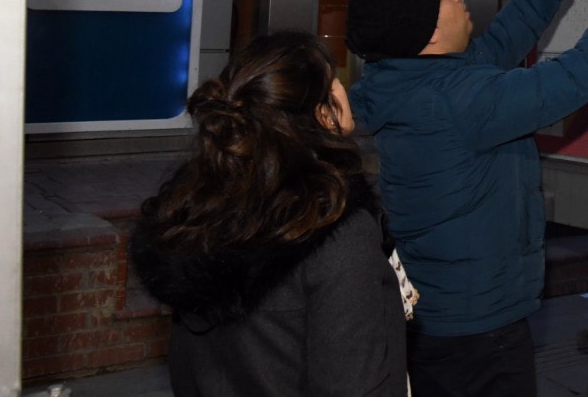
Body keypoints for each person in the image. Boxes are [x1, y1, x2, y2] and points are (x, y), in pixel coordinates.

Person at [346, 0, 588, 397]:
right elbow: (573, 77)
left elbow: (498, 46)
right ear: (426, 35)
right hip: (477, 330)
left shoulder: (412, 81)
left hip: (446, 314)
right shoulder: (457, 101)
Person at [130, 30, 407, 397]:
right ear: (324, 113)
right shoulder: (334, 228)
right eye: (335, 83)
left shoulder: (202, 211)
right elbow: (354, 381)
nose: (345, 90)